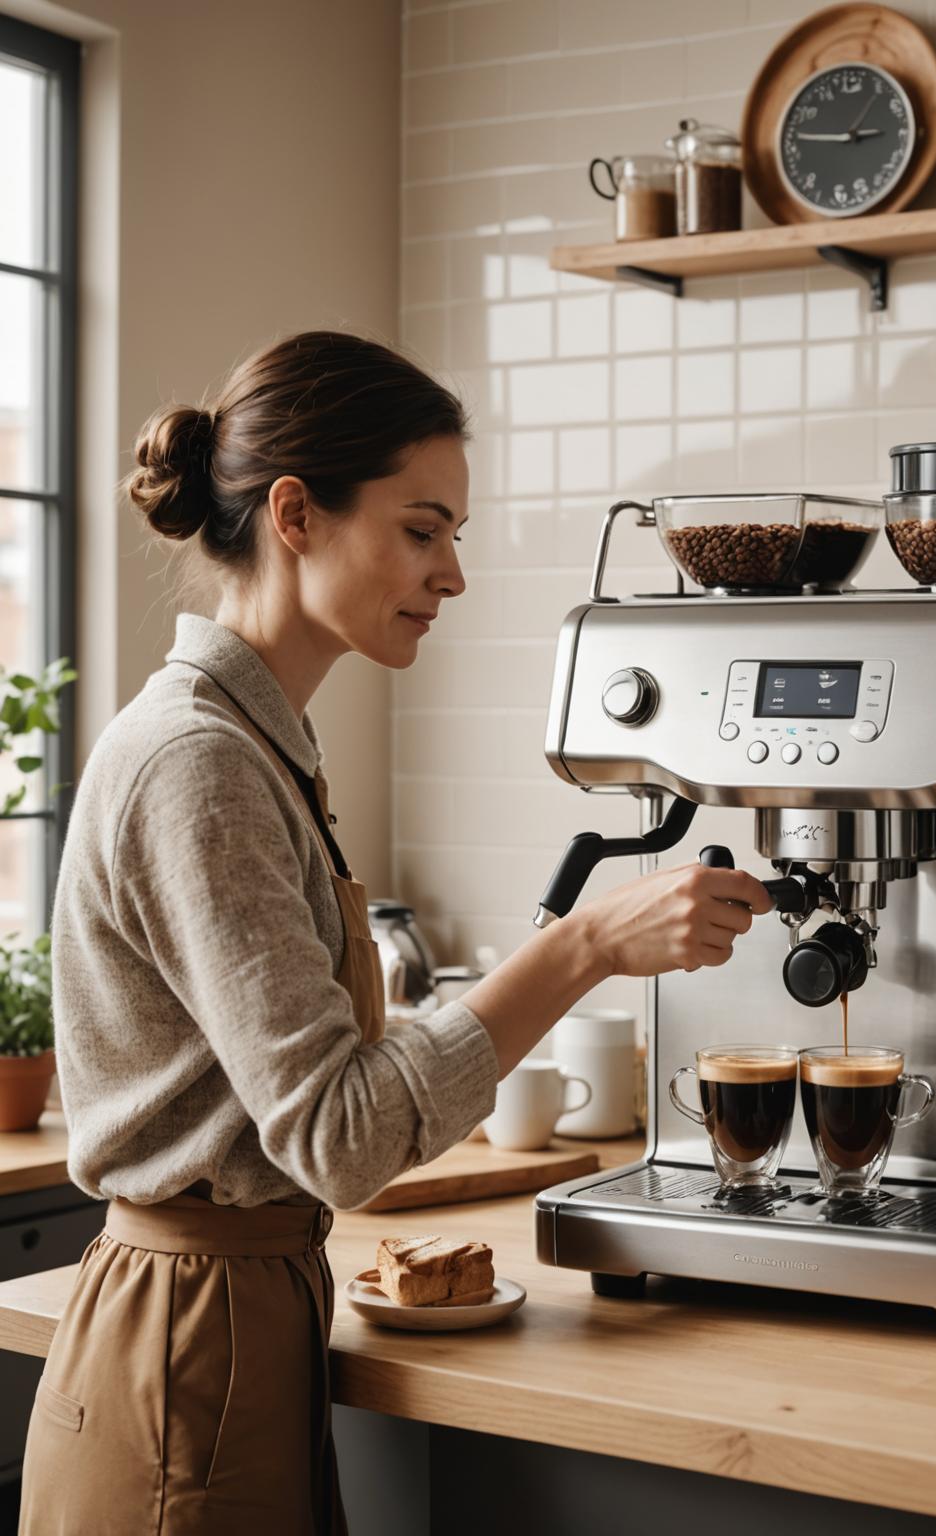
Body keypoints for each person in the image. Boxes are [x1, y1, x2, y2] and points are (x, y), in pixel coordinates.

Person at [18, 330, 771, 1535]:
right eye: (422, 530)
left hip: (238, 1317)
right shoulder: (198, 764)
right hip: (184, 1353)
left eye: (453, 536)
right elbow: (339, 1134)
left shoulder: (256, 746)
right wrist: (582, 947)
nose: (452, 573)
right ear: (296, 514)